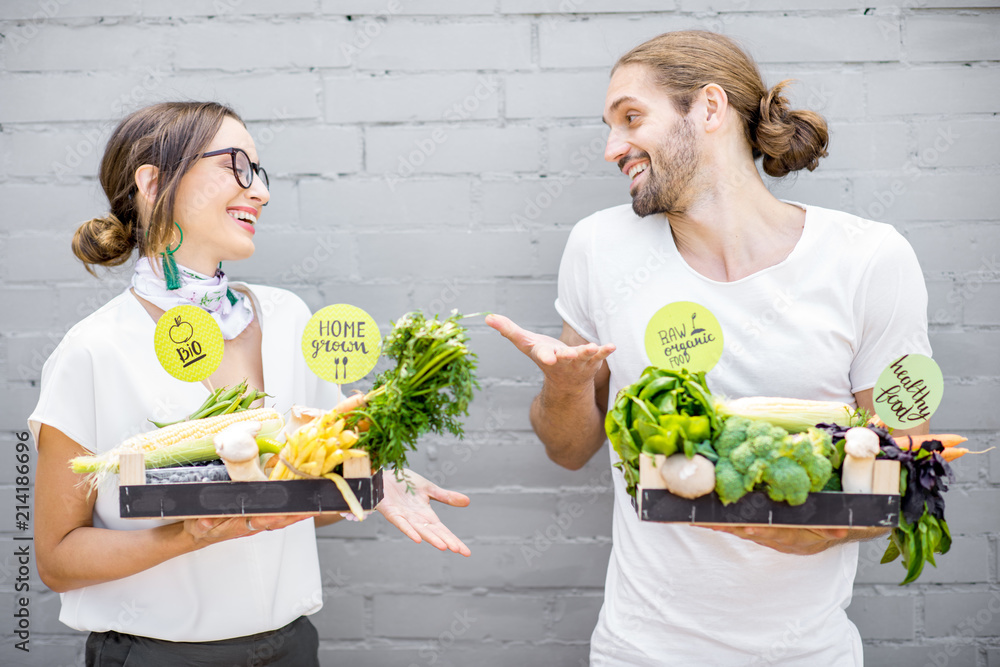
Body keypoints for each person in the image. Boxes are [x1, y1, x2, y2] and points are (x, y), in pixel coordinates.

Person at [487, 30, 931, 665]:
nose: (613, 147)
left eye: (631, 118)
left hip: (807, 654)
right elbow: (569, 449)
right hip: (637, 651)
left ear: (710, 109)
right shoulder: (598, 247)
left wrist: (825, 530)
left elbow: (902, 464)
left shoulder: (868, 259)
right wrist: (564, 386)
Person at [30, 101, 470, 667]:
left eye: (258, 173)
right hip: (155, 656)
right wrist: (188, 536)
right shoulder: (92, 350)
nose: (258, 191)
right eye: (236, 165)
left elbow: (309, 497)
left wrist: (372, 480)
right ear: (153, 182)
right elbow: (57, 559)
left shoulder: (289, 318)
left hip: (290, 647)